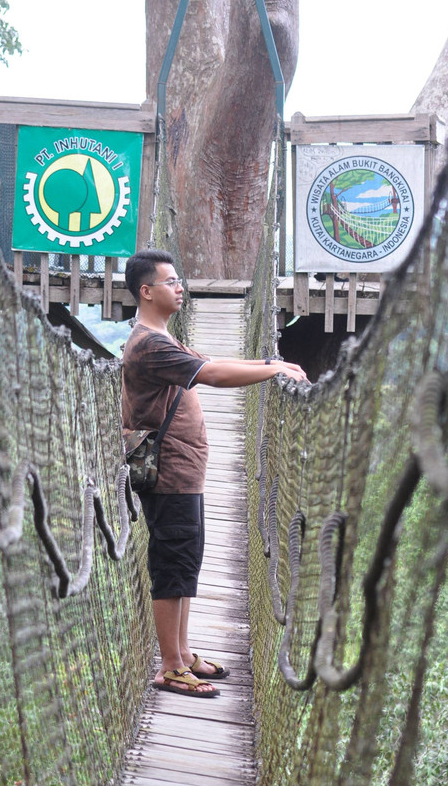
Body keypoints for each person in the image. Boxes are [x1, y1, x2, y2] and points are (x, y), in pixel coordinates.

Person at [122, 249, 309, 698]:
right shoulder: (149, 345)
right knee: (173, 565)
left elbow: (215, 362)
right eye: (170, 282)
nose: (179, 287)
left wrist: (269, 365)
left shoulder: (162, 338)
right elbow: (214, 375)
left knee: (187, 563)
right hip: (168, 472)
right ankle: (170, 666)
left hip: (183, 473)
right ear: (146, 291)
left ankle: (183, 655)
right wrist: (272, 371)